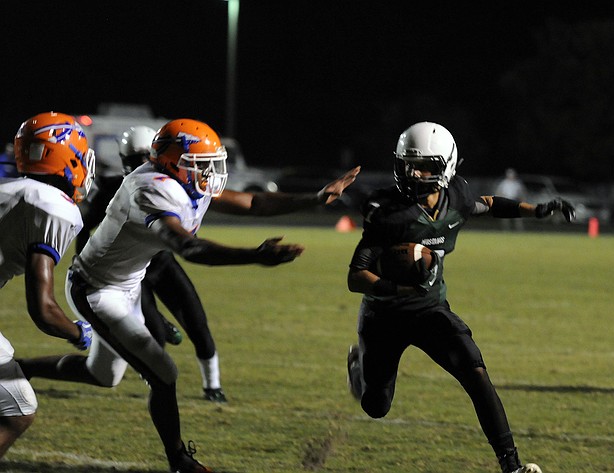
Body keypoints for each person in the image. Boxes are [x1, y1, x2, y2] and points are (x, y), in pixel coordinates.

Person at [18, 118, 360, 473]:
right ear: (172, 162)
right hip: (97, 289)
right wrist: (253, 256)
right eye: (202, 164)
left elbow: (254, 202)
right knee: (163, 372)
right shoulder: (151, 188)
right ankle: (180, 460)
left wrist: (315, 197)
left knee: (105, 375)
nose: (210, 173)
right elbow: (190, 248)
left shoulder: (181, 180)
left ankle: (21, 368)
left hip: (126, 284)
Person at [345, 122, 574, 473]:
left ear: (447, 167)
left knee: (475, 370)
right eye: (408, 164)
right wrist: (398, 288)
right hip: (384, 316)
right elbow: (355, 276)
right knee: (376, 405)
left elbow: (488, 204)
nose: (415, 173)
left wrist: (537, 209)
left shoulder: (457, 197)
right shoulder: (389, 211)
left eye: (424, 166)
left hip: (429, 309)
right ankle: (358, 369)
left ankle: (511, 466)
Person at [78, 125, 231, 403]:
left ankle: (213, 386)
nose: (140, 163)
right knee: (156, 335)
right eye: (133, 158)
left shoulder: (177, 184)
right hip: (132, 274)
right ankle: (158, 387)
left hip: (161, 262)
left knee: (197, 323)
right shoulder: (120, 187)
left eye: (143, 156)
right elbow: (85, 230)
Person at [0, 112, 96, 458]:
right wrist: (79, 332)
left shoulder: (9, 189)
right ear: (67, 157)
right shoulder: (54, 206)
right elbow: (43, 309)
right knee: (17, 410)